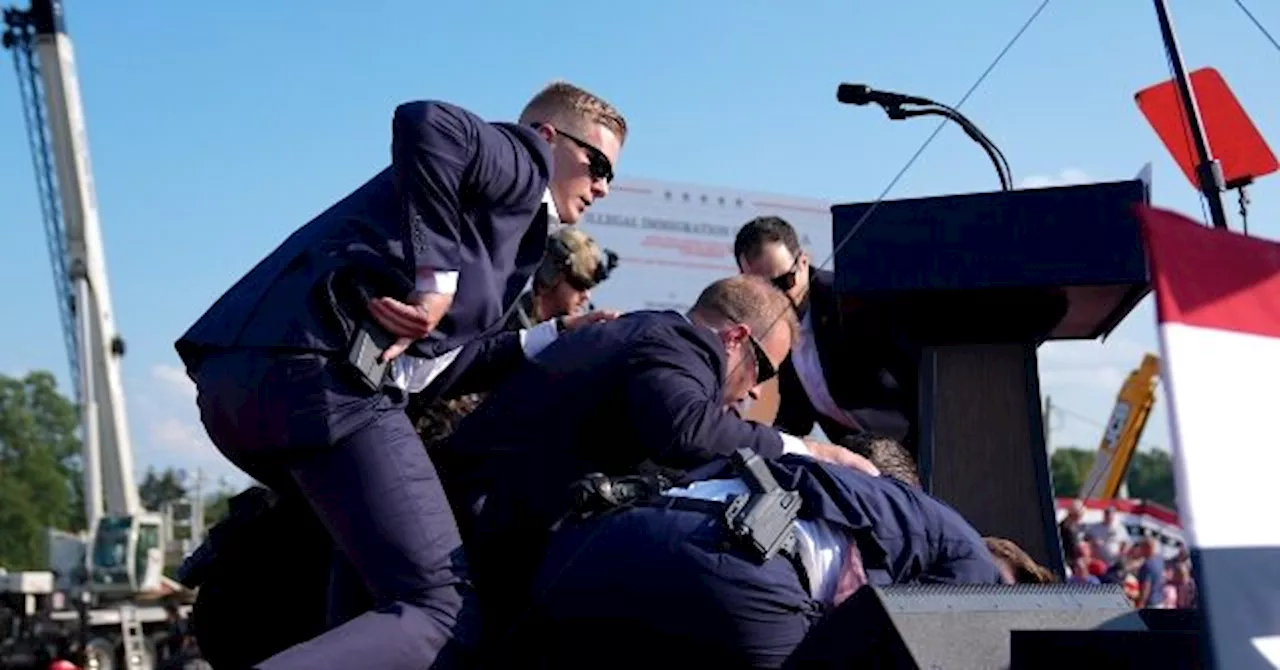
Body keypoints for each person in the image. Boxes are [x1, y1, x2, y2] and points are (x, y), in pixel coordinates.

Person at [174, 81, 628, 669]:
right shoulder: (522, 159)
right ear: (547, 137)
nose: (603, 187)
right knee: (442, 607)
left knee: (365, 588)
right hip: (318, 377)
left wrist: (555, 337)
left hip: (246, 376)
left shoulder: (505, 223)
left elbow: (428, 370)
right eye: (596, 164)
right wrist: (435, 279)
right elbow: (428, 121)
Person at [437, 274, 880, 646]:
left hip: (493, 524)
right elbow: (686, 431)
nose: (756, 391)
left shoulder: (652, 334)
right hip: (481, 528)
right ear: (736, 338)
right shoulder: (681, 343)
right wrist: (812, 449)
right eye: (763, 370)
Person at [516, 451, 1002, 669]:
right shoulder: (975, 565)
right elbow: (872, 618)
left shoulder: (847, 489)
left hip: (604, 538)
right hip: (743, 578)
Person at [733, 216, 920, 450]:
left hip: (915, 443)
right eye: (762, 289)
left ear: (802, 262)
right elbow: (796, 416)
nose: (776, 298)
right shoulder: (771, 327)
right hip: (857, 455)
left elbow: (914, 370)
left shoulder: (850, 299)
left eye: (784, 282)